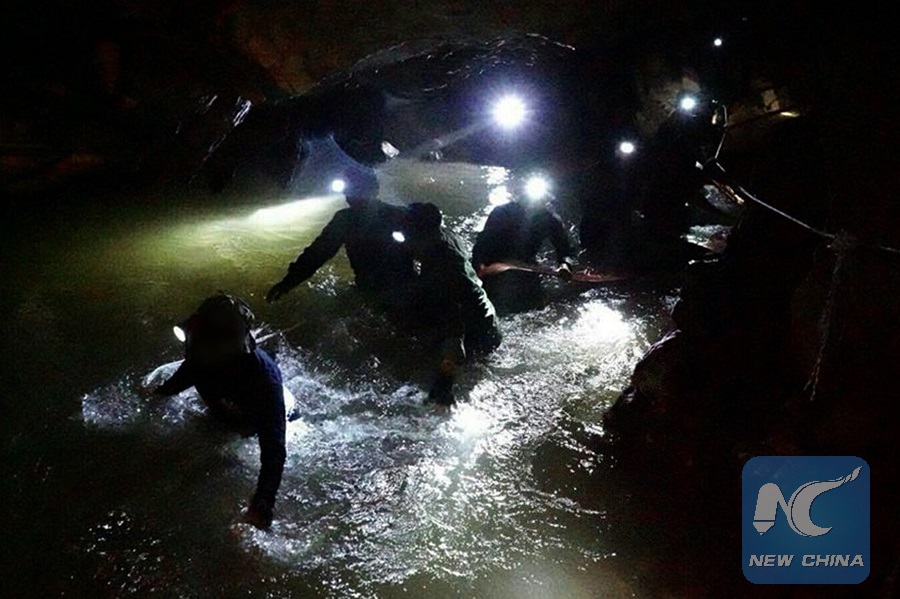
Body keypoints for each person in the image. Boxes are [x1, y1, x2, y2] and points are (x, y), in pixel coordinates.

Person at [154, 293, 288, 529]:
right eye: (198, 337)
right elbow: (181, 379)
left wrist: (262, 503)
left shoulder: (264, 381)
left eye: (208, 342)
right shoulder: (199, 355)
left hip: (257, 422)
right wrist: (158, 395)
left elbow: (274, 451)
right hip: (224, 408)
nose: (198, 346)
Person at [265, 166, 416, 309]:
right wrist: (288, 283)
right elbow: (317, 253)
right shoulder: (397, 214)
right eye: (349, 190)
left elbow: (318, 253)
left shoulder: (347, 220)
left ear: (373, 190)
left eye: (355, 189)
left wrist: (287, 283)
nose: (349, 195)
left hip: (388, 290)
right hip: (392, 289)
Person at [401, 202, 502, 405]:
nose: (405, 239)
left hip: (477, 333)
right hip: (487, 319)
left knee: (442, 390)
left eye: (407, 234)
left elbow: (454, 335)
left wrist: (444, 384)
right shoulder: (444, 236)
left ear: (419, 234)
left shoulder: (443, 272)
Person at [472, 192, 575, 313]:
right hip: (496, 260)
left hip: (525, 264)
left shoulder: (551, 220)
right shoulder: (502, 212)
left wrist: (565, 265)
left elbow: (564, 250)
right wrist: (479, 269)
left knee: (536, 306)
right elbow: (482, 243)